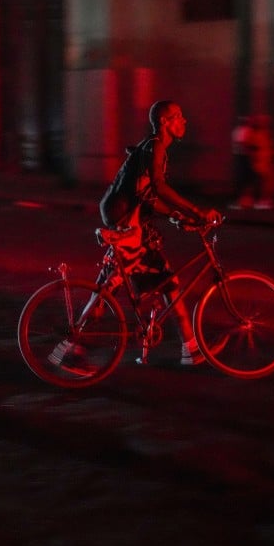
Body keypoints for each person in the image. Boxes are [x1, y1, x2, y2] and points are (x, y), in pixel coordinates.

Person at [50, 100, 221, 370]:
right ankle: (70, 349)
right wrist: (196, 211)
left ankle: (191, 348)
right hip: (130, 230)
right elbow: (159, 188)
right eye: (179, 116)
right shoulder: (155, 147)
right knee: (110, 289)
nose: (184, 121)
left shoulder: (152, 147)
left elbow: (148, 197)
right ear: (165, 122)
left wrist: (180, 217)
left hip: (135, 229)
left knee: (167, 284)